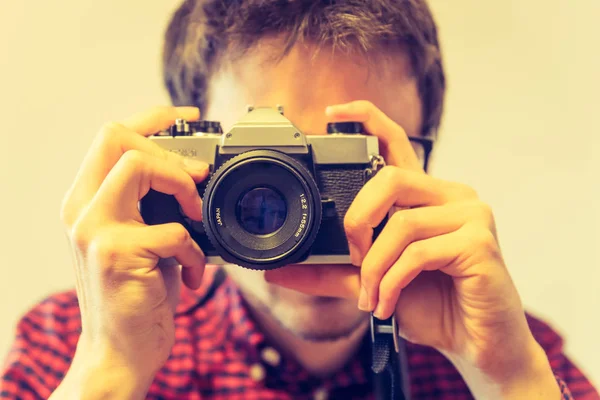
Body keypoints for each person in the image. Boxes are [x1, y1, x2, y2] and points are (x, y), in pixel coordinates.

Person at [1, 0, 598, 399]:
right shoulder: (70, 342)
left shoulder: (511, 347)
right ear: (180, 158)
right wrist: (108, 372)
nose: (294, 207)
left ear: (419, 161)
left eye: (347, 156)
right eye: (260, 166)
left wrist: (509, 380)